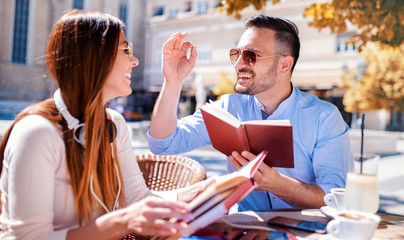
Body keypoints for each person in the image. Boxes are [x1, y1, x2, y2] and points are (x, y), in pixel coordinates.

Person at [0, 10, 213, 239]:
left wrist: (205, 191)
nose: (135, 60)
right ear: (94, 57)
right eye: (126, 50)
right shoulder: (37, 133)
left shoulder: (114, 124)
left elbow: (139, 199)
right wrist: (122, 221)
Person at [147, 15, 352, 211]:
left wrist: (278, 184)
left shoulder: (324, 118)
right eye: (236, 54)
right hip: (240, 227)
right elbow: (163, 144)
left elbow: (336, 198)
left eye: (251, 55)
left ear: (284, 64)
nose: (238, 64)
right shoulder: (228, 108)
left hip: (301, 232)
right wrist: (173, 81)